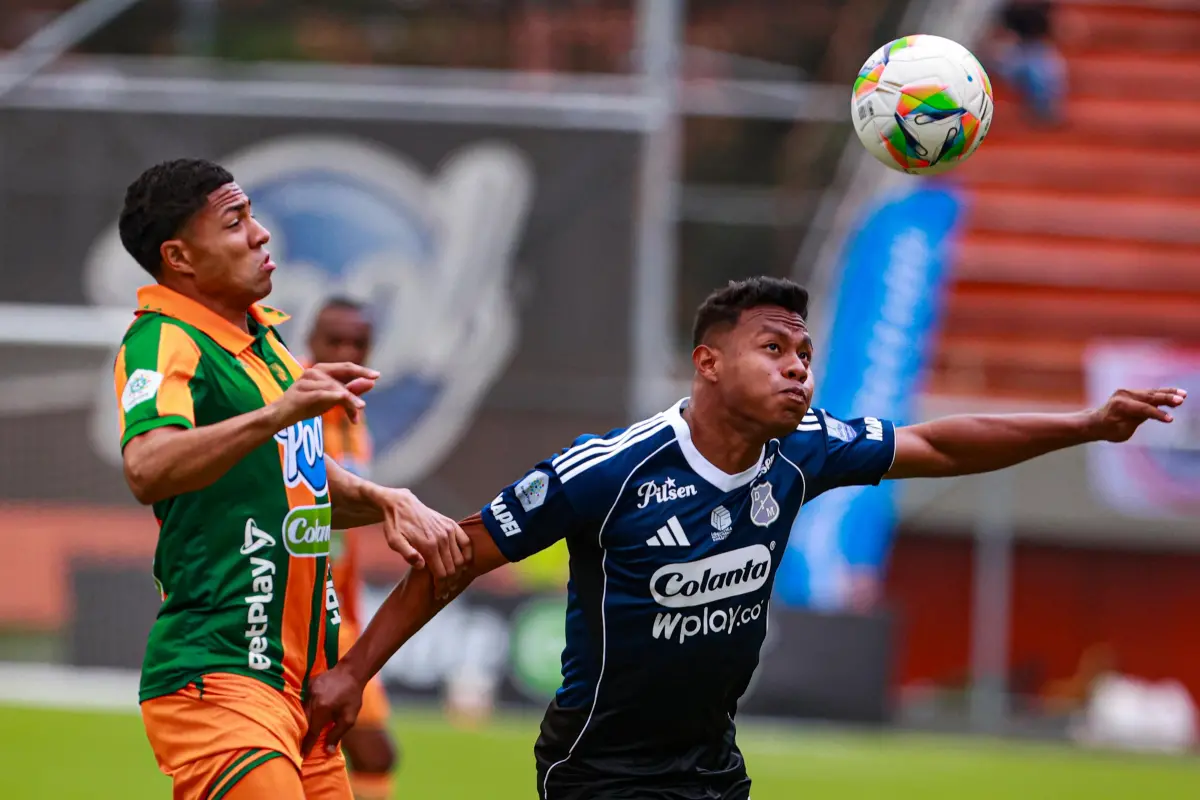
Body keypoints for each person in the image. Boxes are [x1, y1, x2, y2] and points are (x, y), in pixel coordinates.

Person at [303, 276, 1186, 799]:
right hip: (602, 765)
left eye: (805, 355)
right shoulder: (609, 470)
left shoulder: (804, 452)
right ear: (710, 362)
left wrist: (1084, 425)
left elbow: (941, 445)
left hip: (710, 763)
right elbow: (455, 557)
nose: (797, 368)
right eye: (774, 349)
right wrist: (353, 672)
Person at [113, 158, 470, 800]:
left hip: (305, 690)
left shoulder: (268, 345)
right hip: (221, 676)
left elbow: (294, 476)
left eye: (253, 216)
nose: (260, 234)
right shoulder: (163, 340)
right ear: (179, 256)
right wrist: (277, 414)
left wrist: (384, 500)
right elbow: (147, 466)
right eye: (235, 222)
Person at [306, 297, 399, 800]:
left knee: (333, 750)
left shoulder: (353, 419)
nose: (347, 351)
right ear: (310, 343)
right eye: (334, 340)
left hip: (337, 612)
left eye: (358, 343)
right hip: (296, 607)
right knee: (369, 750)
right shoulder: (293, 405)